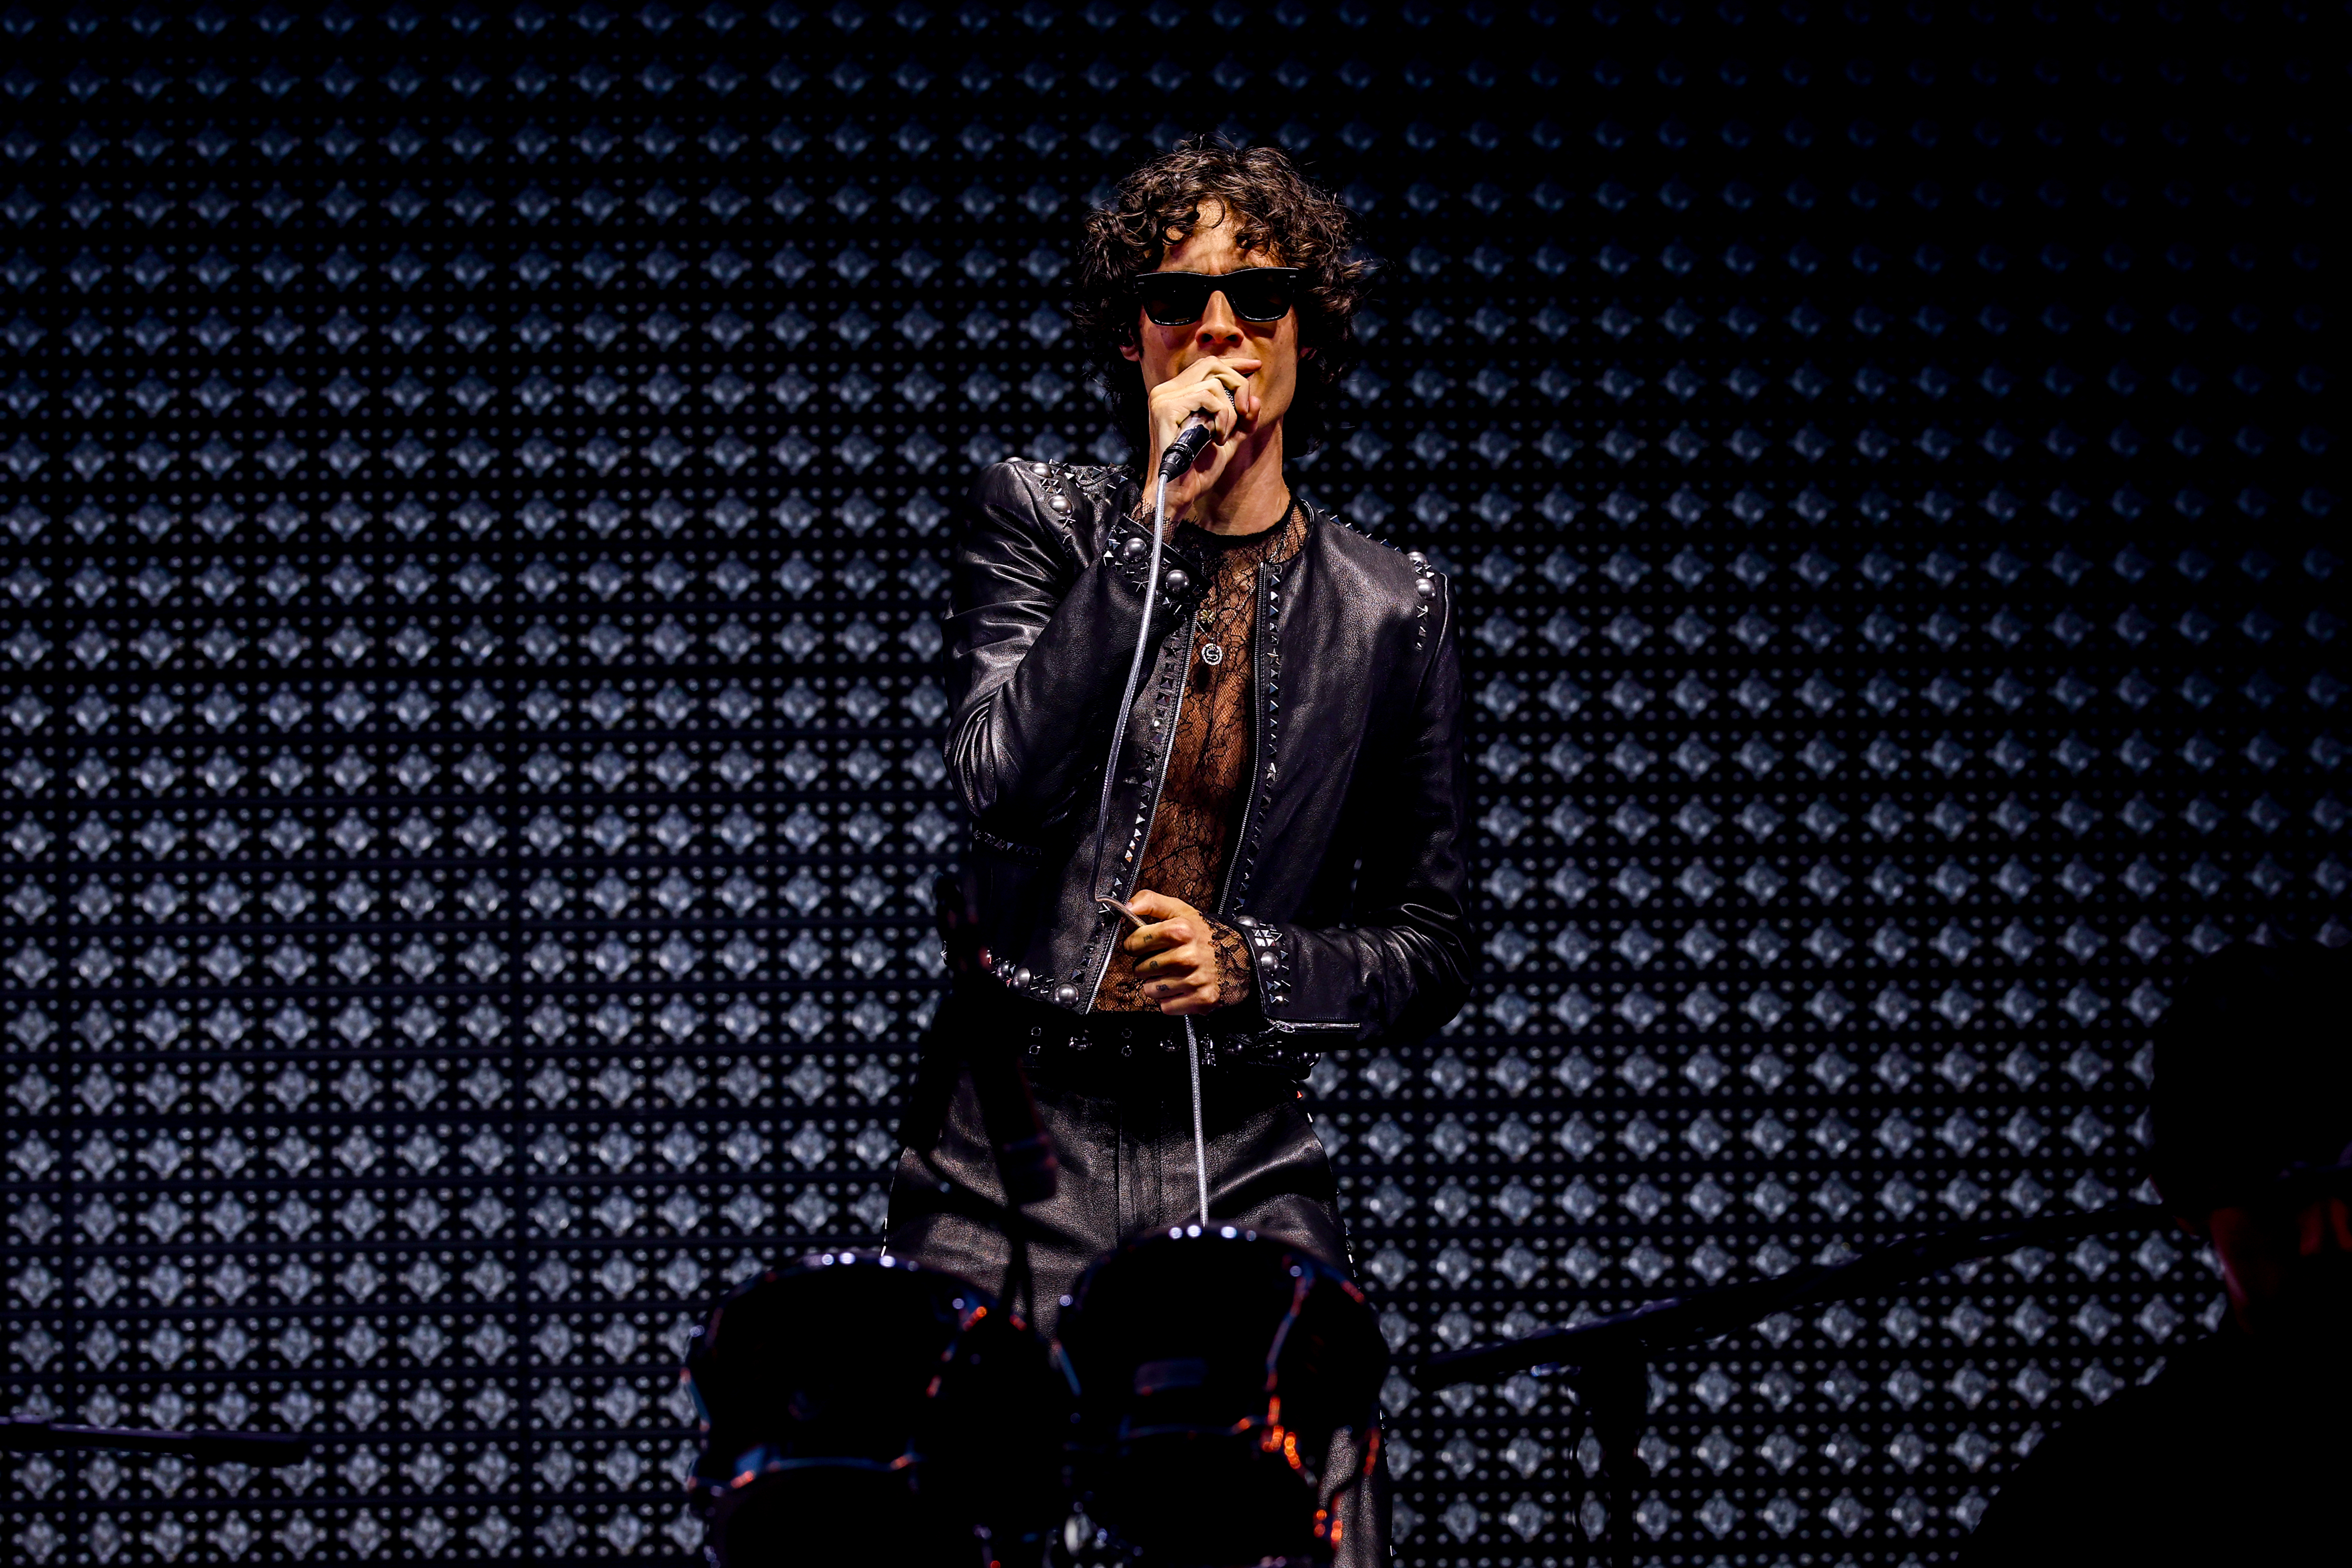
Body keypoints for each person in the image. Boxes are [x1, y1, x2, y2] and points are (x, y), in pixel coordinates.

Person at [887, 139, 1471, 1564]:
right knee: (957, 1522)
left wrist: (1251, 962)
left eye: (1257, 296)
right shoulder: (1042, 519)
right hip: (1012, 1138)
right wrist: (1150, 531)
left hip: (1241, 1137)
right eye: (1177, 297)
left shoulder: (1392, 607)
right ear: (1132, 333)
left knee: (1307, 1513)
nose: (1218, 328)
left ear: (1305, 329)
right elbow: (998, 780)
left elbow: (1433, 944)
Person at [1963, 940, 2352, 1564]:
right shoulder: (2087, 1503)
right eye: (2273, 1197)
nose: (2326, 1239)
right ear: (2180, 1191)